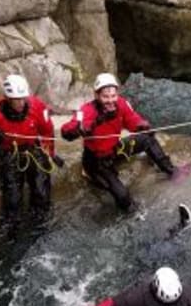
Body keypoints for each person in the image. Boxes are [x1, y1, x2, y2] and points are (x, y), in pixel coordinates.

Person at [60, 72, 178, 212]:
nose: (110, 100)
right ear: (97, 95)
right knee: (123, 197)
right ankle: (133, 213)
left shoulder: (121, 103)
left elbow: (131, 119)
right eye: (105, 97)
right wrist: (76, 130)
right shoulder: (86, 111)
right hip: (97, 161)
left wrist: (141, 125)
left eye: (113, 96)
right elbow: (66, 131)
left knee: (147, 139)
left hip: (115, 149)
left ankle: (171, 170)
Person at [0, 74, 59, 225]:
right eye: (17, 99)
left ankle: (40, 221)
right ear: (7, 98)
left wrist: (49, 153)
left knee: (41, 190)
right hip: (8, 152)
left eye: (23, 98)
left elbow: (47, 131)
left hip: (32, 149)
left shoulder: (37, 107)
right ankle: (13, 225)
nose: (21, 103)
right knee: (13, 198)